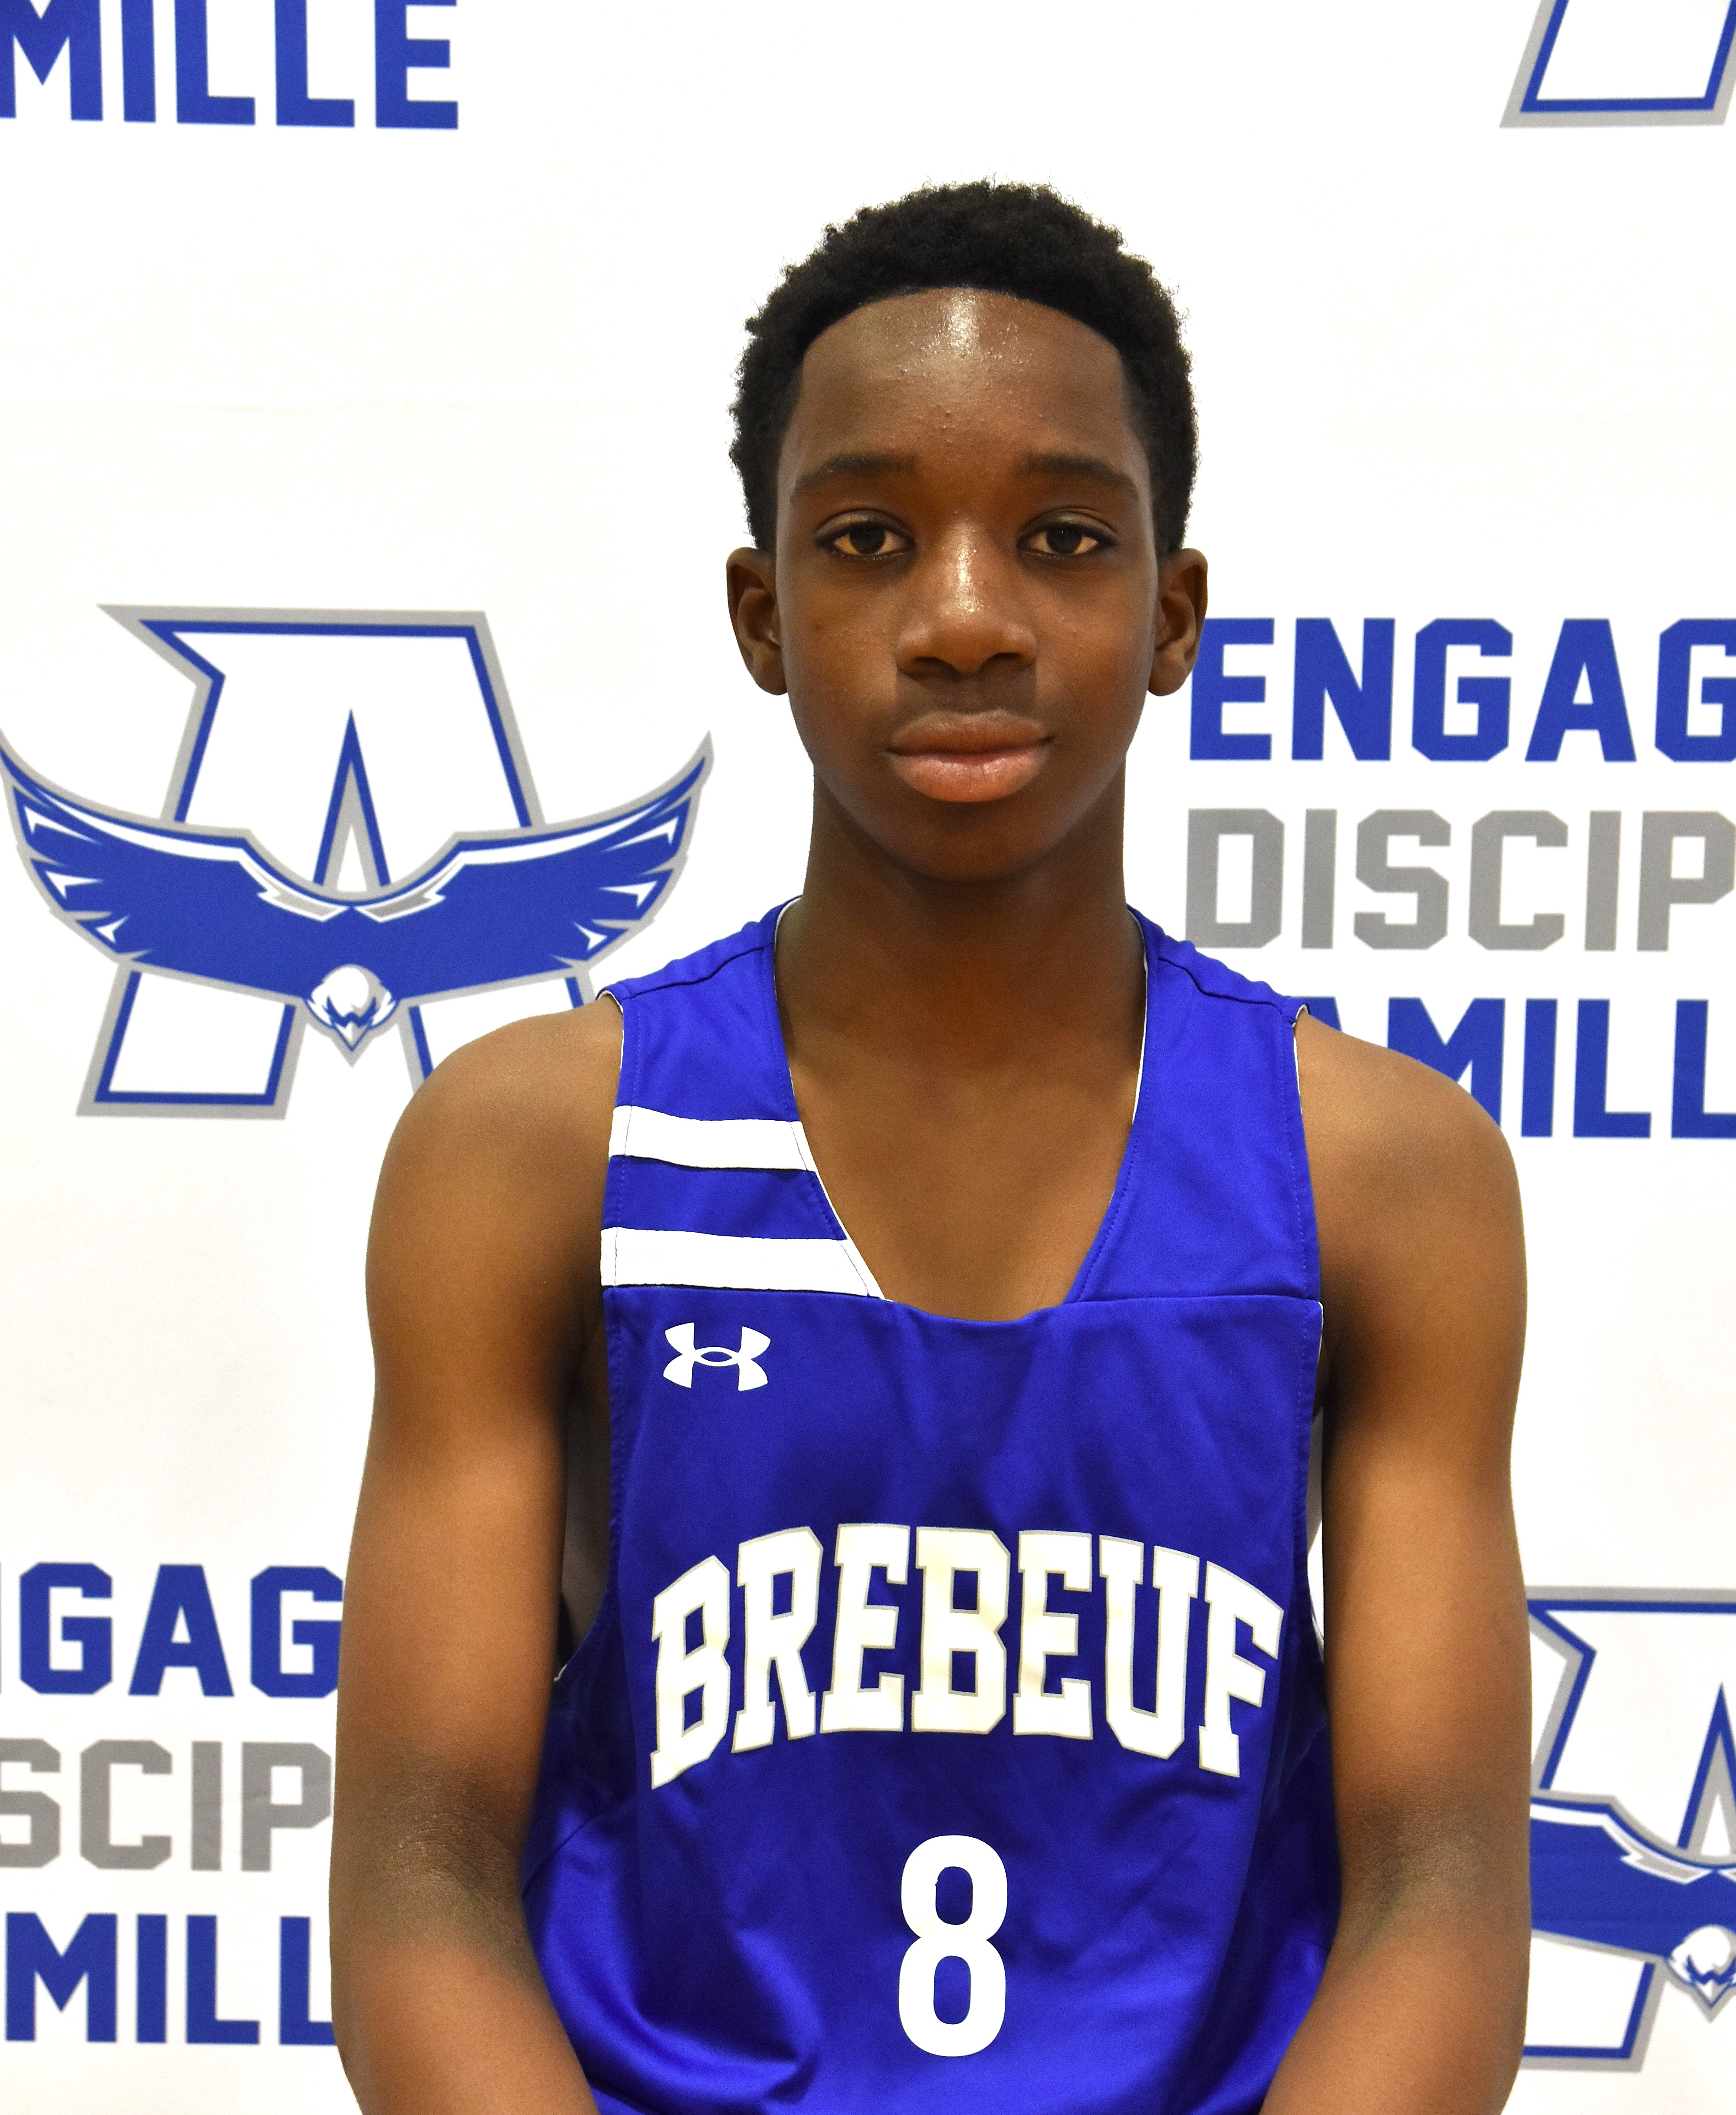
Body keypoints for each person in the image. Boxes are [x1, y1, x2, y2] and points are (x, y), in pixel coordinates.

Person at [331, 182, 1531, 2115]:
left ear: (1170, 614)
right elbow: (419, 1874)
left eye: (1061, 539)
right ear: (765, 613)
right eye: (869, 540)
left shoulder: (1381, 1172)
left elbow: (1443, 1887)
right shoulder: (535, 1145)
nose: (964, 619)